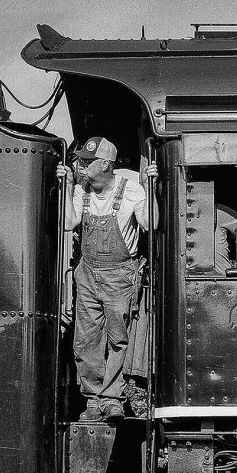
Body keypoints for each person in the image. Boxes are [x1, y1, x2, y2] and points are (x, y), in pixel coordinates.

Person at [58, 137, 155, 420]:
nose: (81, 166)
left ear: (105, 164)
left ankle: (112, 399)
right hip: (87, 272)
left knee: (117, 338)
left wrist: (151, 190)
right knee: (86, 340)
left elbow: (151, 223)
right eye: (80, 161)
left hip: (120, 273)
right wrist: (65, 187)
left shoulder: (132, 190)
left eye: (87, 162)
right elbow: (68, 222)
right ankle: (92, 400)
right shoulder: (79, 190)